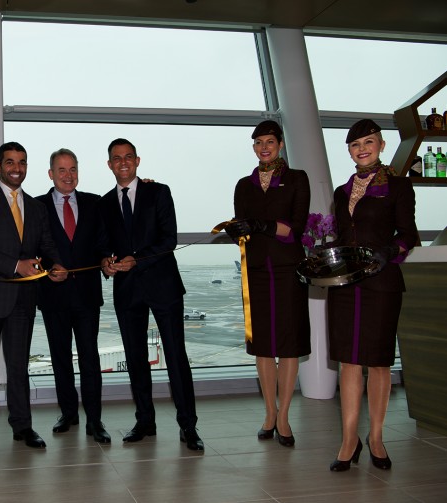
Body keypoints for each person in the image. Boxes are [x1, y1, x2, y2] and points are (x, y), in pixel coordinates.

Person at [0, 141, 68, 454]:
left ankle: (22, 426)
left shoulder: (35, 207)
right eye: (10, 162)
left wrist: (55, 264)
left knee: (20, 367)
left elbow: (46, 246)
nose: (16, 168)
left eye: (21, 162)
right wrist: (14, 266)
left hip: (23, 299)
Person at [98, 138, 203, 451]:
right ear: (109, 165)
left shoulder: (159, 192)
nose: (123, 162)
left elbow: (168, 238)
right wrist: (105, 262)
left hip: (163, 285)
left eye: (128, 157)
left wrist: (137, 259)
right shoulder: (104, 203)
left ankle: (188, 426)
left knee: (174, 356)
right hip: (127, 290)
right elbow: (102, 244)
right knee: (135, 359)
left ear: (137, 160)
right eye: (117, 158)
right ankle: (145, 420)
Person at [327, 119, 418, 472]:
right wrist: (323, 260)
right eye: (355, 145)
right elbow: (340, 236)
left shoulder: (398, 187)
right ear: (349, 151)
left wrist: (388, 252)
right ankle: (350, 439)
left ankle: (376, 437)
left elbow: (408, 234)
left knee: (378, 361)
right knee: (348, 361)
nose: (362, 148)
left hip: (381, 282)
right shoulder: (341, 191)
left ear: (381, 145)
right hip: (346, 284)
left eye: (368, 142)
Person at [225, 120, 311, 448]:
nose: (264, 147)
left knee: (288, 345)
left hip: (289, 268)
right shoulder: (243, 185)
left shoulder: (296, 179)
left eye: (270, 141)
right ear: (253, 147)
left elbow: (297, 227)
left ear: (280, 144)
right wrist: (239, 232)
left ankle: (285, 415)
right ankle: (269, 413)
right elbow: (243, 231)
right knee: (262, 345)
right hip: (256, 269)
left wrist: (264, 224)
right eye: (259, 142)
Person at [35, 148, 110, 443]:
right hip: (53, 294)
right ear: (51, 174)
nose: (69, 176)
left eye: (73, 169)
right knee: (60, 358)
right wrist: (48, 267)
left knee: (90, 358)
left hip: (87, 294)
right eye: (62, 170)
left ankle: (95, 420)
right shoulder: (36, 205)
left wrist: (106, 260)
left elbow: (103, 242)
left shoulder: (95, 203)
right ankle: (68, 413)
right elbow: (32, 247)